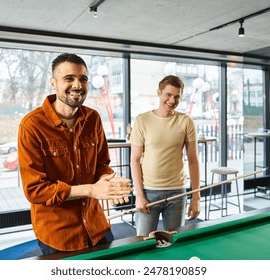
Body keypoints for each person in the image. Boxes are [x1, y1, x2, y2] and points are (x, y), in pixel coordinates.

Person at [18, 53, 132, 255]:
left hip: (98, 228)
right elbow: (34, 190)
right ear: (53, 83)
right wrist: (91, 190)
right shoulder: (32, 125)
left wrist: (109, 181)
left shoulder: (93, 118)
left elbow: (101, 165)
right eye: (69, 79)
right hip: (58, 236)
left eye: (83, 79)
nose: (78, 85)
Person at [130, 75, 201, 237]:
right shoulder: (142, 120)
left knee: (174, 242)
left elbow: (193, 161)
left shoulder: (186, 122)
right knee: (143, 241)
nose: (172, 100)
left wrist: (196, 197)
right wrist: (139, 195)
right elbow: (134, 159)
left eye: (177, 96)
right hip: (148, 192)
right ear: (159, 93)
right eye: (168, 95)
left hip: (177, 192)